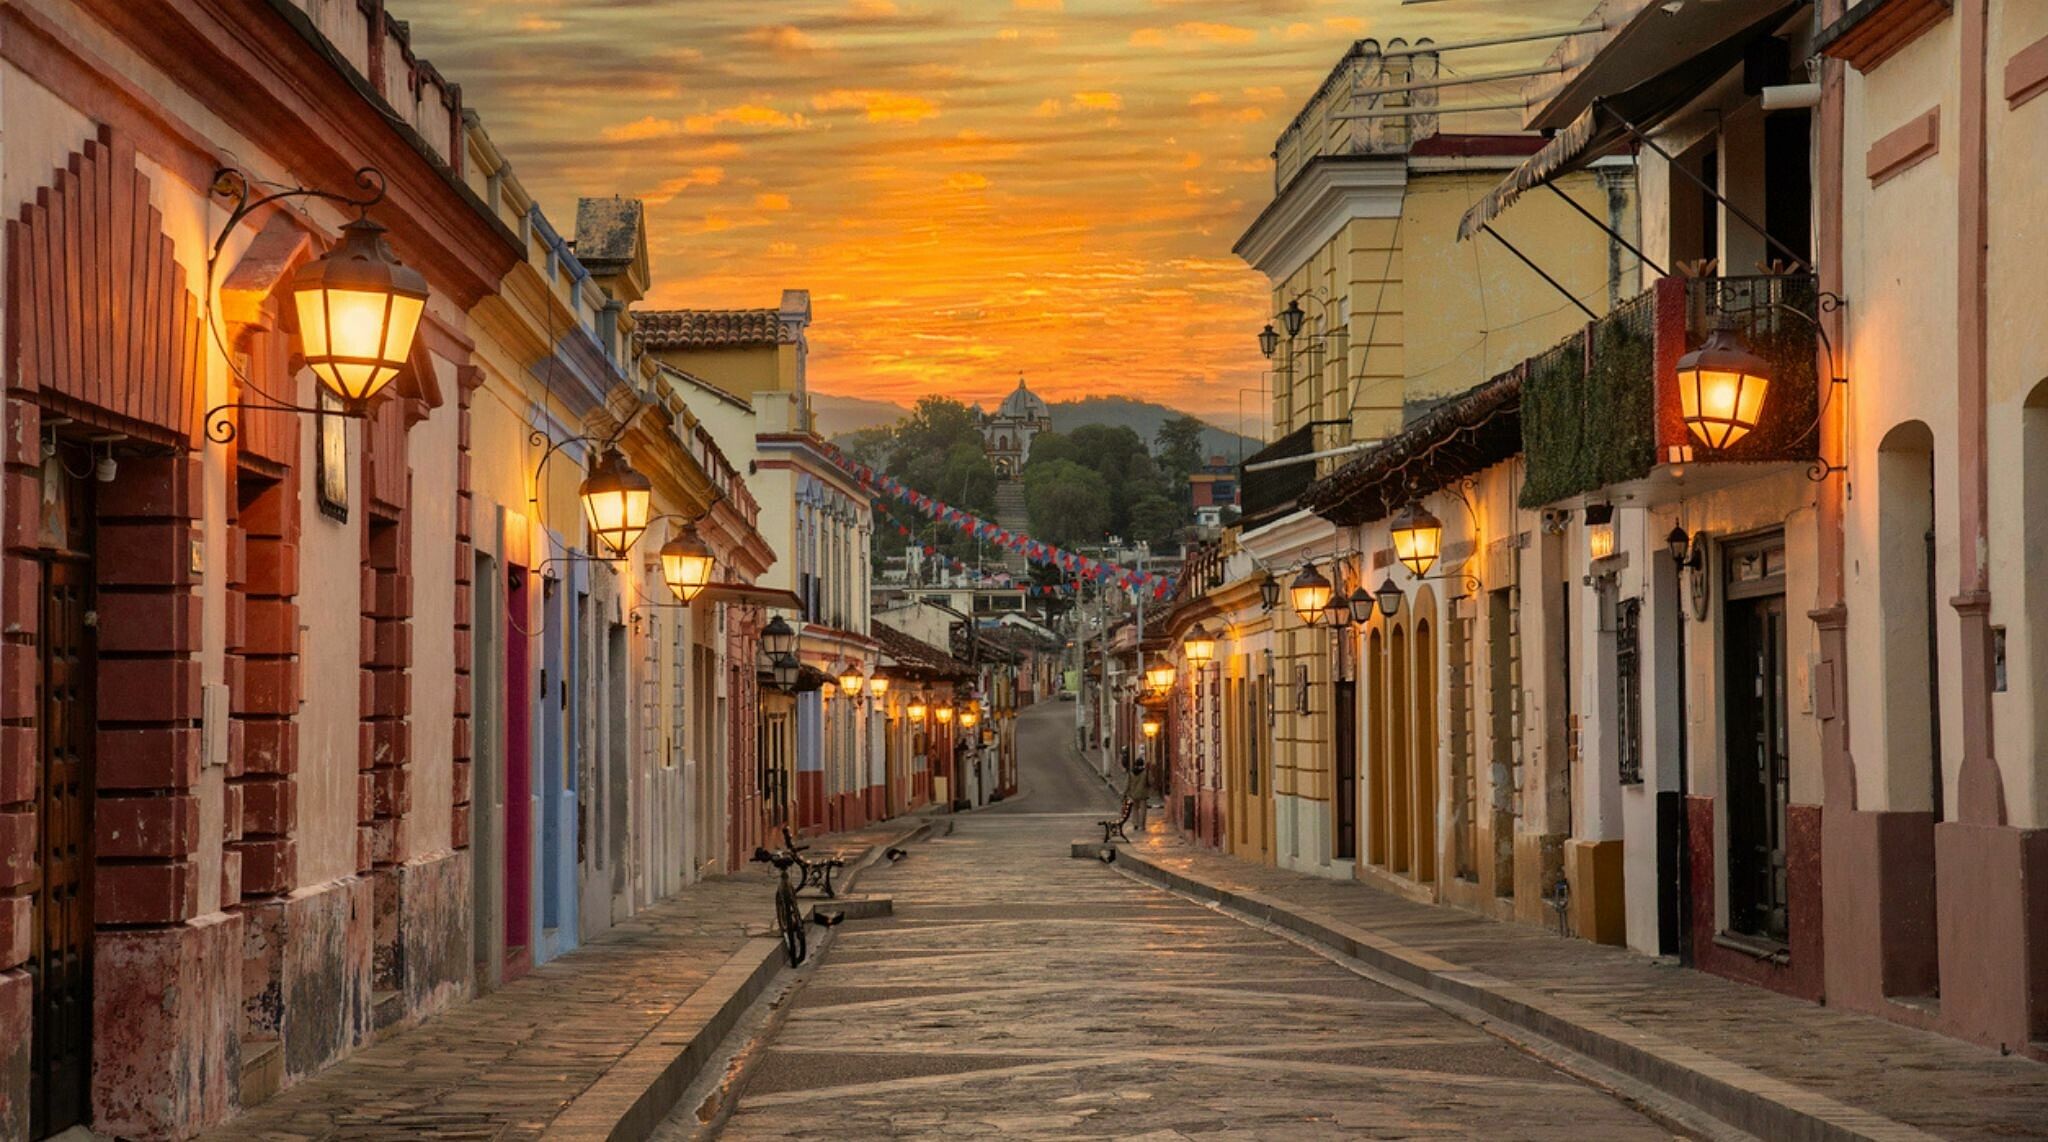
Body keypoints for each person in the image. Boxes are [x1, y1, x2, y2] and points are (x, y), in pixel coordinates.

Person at [1122, 755, 1151, 833]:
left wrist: (1124, 793)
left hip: (1133, 794)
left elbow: (1127, 784)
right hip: (1143, 794)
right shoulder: (1145, 772)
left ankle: (1135, 824)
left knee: (1135, 809)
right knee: (1143, 810)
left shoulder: (1131, 772)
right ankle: (1142, 825)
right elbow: (1150, 782)